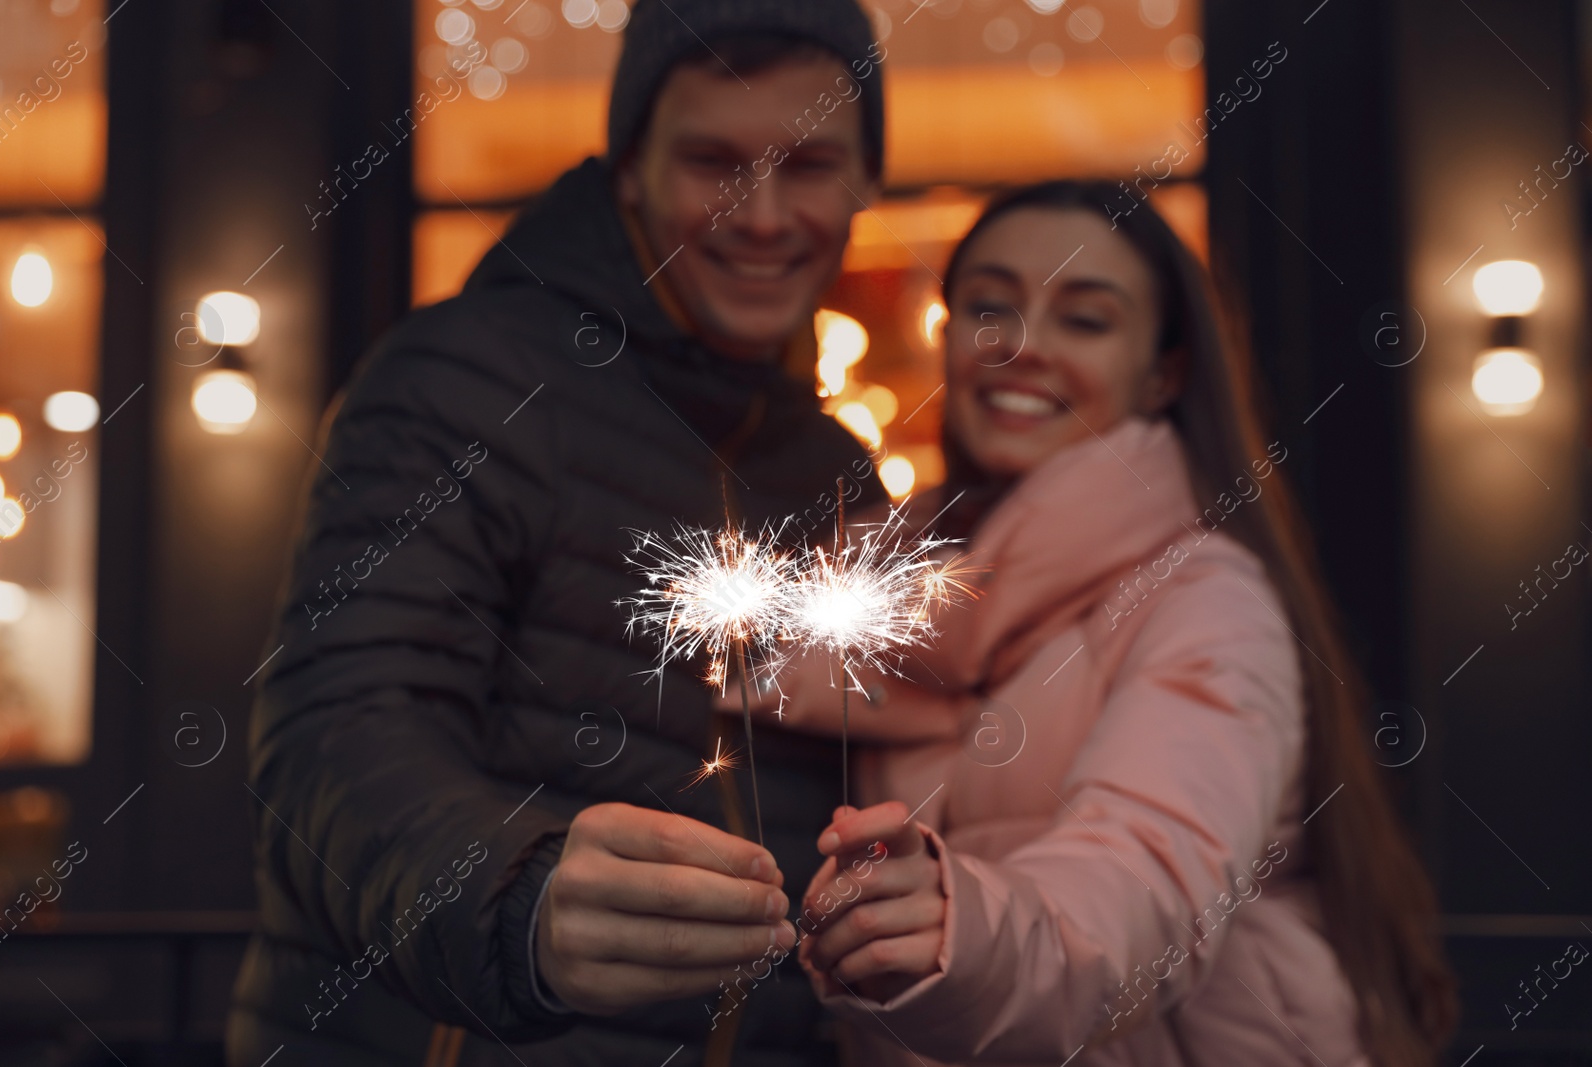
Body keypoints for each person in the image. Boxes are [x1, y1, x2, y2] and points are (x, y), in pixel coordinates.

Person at [226, 2, 895, 1063]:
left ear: (867, 182)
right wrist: (516, 898)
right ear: (628, 166)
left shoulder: (835, 472)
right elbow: (336, 736)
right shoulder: (462, 377)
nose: (763, 215)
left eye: (809, 164)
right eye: (713, 159)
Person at [745, 182, 1459, 1065]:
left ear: (1162, 372)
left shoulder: (1205, 601)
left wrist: (956, 932)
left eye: (1084, 319)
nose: (1021, 344)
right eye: (989, 306)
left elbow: (1142, 885)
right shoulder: (875, 600)